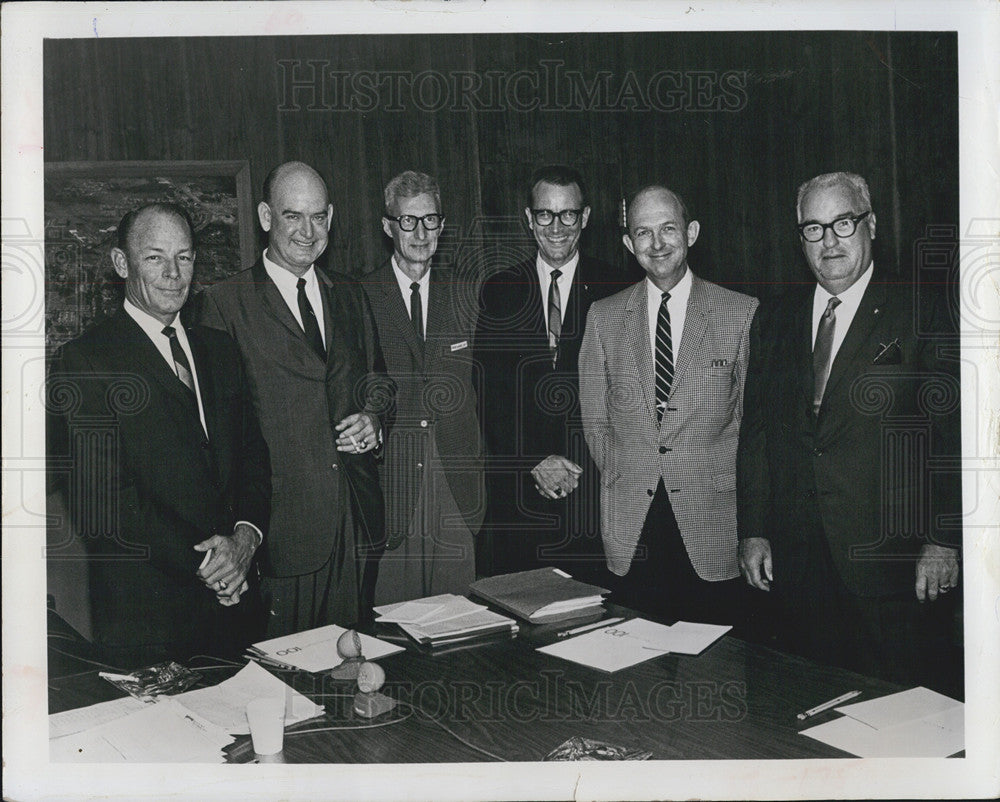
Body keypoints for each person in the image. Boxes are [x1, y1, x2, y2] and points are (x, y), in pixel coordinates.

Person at [737, 171, 962, 694]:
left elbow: (957, 435)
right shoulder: (775, 317)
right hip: (797, 563)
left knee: (905, 714)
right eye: (813, 229)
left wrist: (945, 540)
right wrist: (754, 529)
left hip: (894, 565)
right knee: (806, 708)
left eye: (842, 223)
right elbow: (758, 432)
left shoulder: (925, 308)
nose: (829, 242)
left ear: (872, 224)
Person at [46, 202, 270, 667]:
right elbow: (101, 503)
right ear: (122, 263)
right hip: (148, 621)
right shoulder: (86, 362)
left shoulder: (220, 349)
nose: (173, 273)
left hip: (237, 606)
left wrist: (246, 540)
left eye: (184, 257)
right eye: (155, 257)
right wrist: (216, 565)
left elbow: (252, 456)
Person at [196, 161, 389, 635]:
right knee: (287, 689)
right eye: (292, 216)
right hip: (279, 534)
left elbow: (378, 380)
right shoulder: (224, 302)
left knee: (353, 674)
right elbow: (218, 435)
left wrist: (374, 418)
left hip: (356, 520)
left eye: (319, 216)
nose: (308, 231)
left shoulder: (349, 292)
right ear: (265, 216)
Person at [578, 185, 758, 628]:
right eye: (643, 233)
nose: (656, 244)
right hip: (633, 525)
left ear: (691, 232)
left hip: (712, 524)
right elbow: (595, 420)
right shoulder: (603, 316)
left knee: (717, 676)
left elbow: (750, 425)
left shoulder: (741, 313)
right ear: (628, 244)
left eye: (668, 229)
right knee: (634, 670)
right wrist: (626, 469)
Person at [474, 165, 628, 580]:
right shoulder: (500, 289)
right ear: (529, 218)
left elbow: (626, 397)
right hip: (522, 498)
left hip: (594, 496)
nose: (556, 227)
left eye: (568, 215)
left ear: (586, 218)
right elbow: (489, 395)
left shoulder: (620, 288)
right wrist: (535, 459)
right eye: (545, 214)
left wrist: (572, 465)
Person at [361, 171, 484, 604]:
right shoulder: (360, 296)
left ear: (442, 225)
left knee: (461, 624)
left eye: (429, 220)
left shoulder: (469, 293)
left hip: (457, 485)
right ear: (387, 226)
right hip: (393, 484)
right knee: (394, 627)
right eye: (408, 221)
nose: (419, 232)